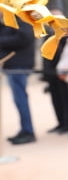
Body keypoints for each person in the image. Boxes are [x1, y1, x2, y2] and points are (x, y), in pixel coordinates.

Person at [0, 17, 37, 145]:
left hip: (18, 65)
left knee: (21, 100)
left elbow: (24, 37)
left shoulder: (21, 19)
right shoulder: (10, 21)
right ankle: (24, 129)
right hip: (12, 65)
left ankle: (28, 131)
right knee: (19, 100)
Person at [42, 10, 68, 135]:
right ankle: (60, 122)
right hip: (51, 73)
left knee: (66, 99)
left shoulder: (66, 35)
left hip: (62, 72)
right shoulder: (48, 34)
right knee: (56, 100)